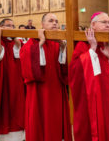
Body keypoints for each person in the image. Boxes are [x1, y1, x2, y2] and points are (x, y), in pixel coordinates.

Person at [69, 12, 109, 141]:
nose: (108, 25)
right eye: (104, 22)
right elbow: (74, 71)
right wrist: (92, 50)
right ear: (93, 25)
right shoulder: (83, 44)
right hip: (93, 99)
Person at [20, 13, 72, 141]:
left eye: (56, 21)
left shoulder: (58, 43)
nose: (55, 23)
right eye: (51, 21)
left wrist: (63, 47)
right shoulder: (32, 43)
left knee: (56, 120)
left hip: (56, 89)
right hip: (39, 91)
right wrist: (41, 44)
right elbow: (27, 69)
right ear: (42, 25)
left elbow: (65, 69)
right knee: (40, 120)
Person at [0, 19, 25, 141]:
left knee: (17, 105)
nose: (11, 28)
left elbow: (21, 56)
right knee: (3, 106)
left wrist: (16, 39)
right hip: (2, 80)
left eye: (12, 26)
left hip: (16, 81)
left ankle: (19, 135)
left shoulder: (17, 41)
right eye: (8, 26)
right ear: (1, 27)